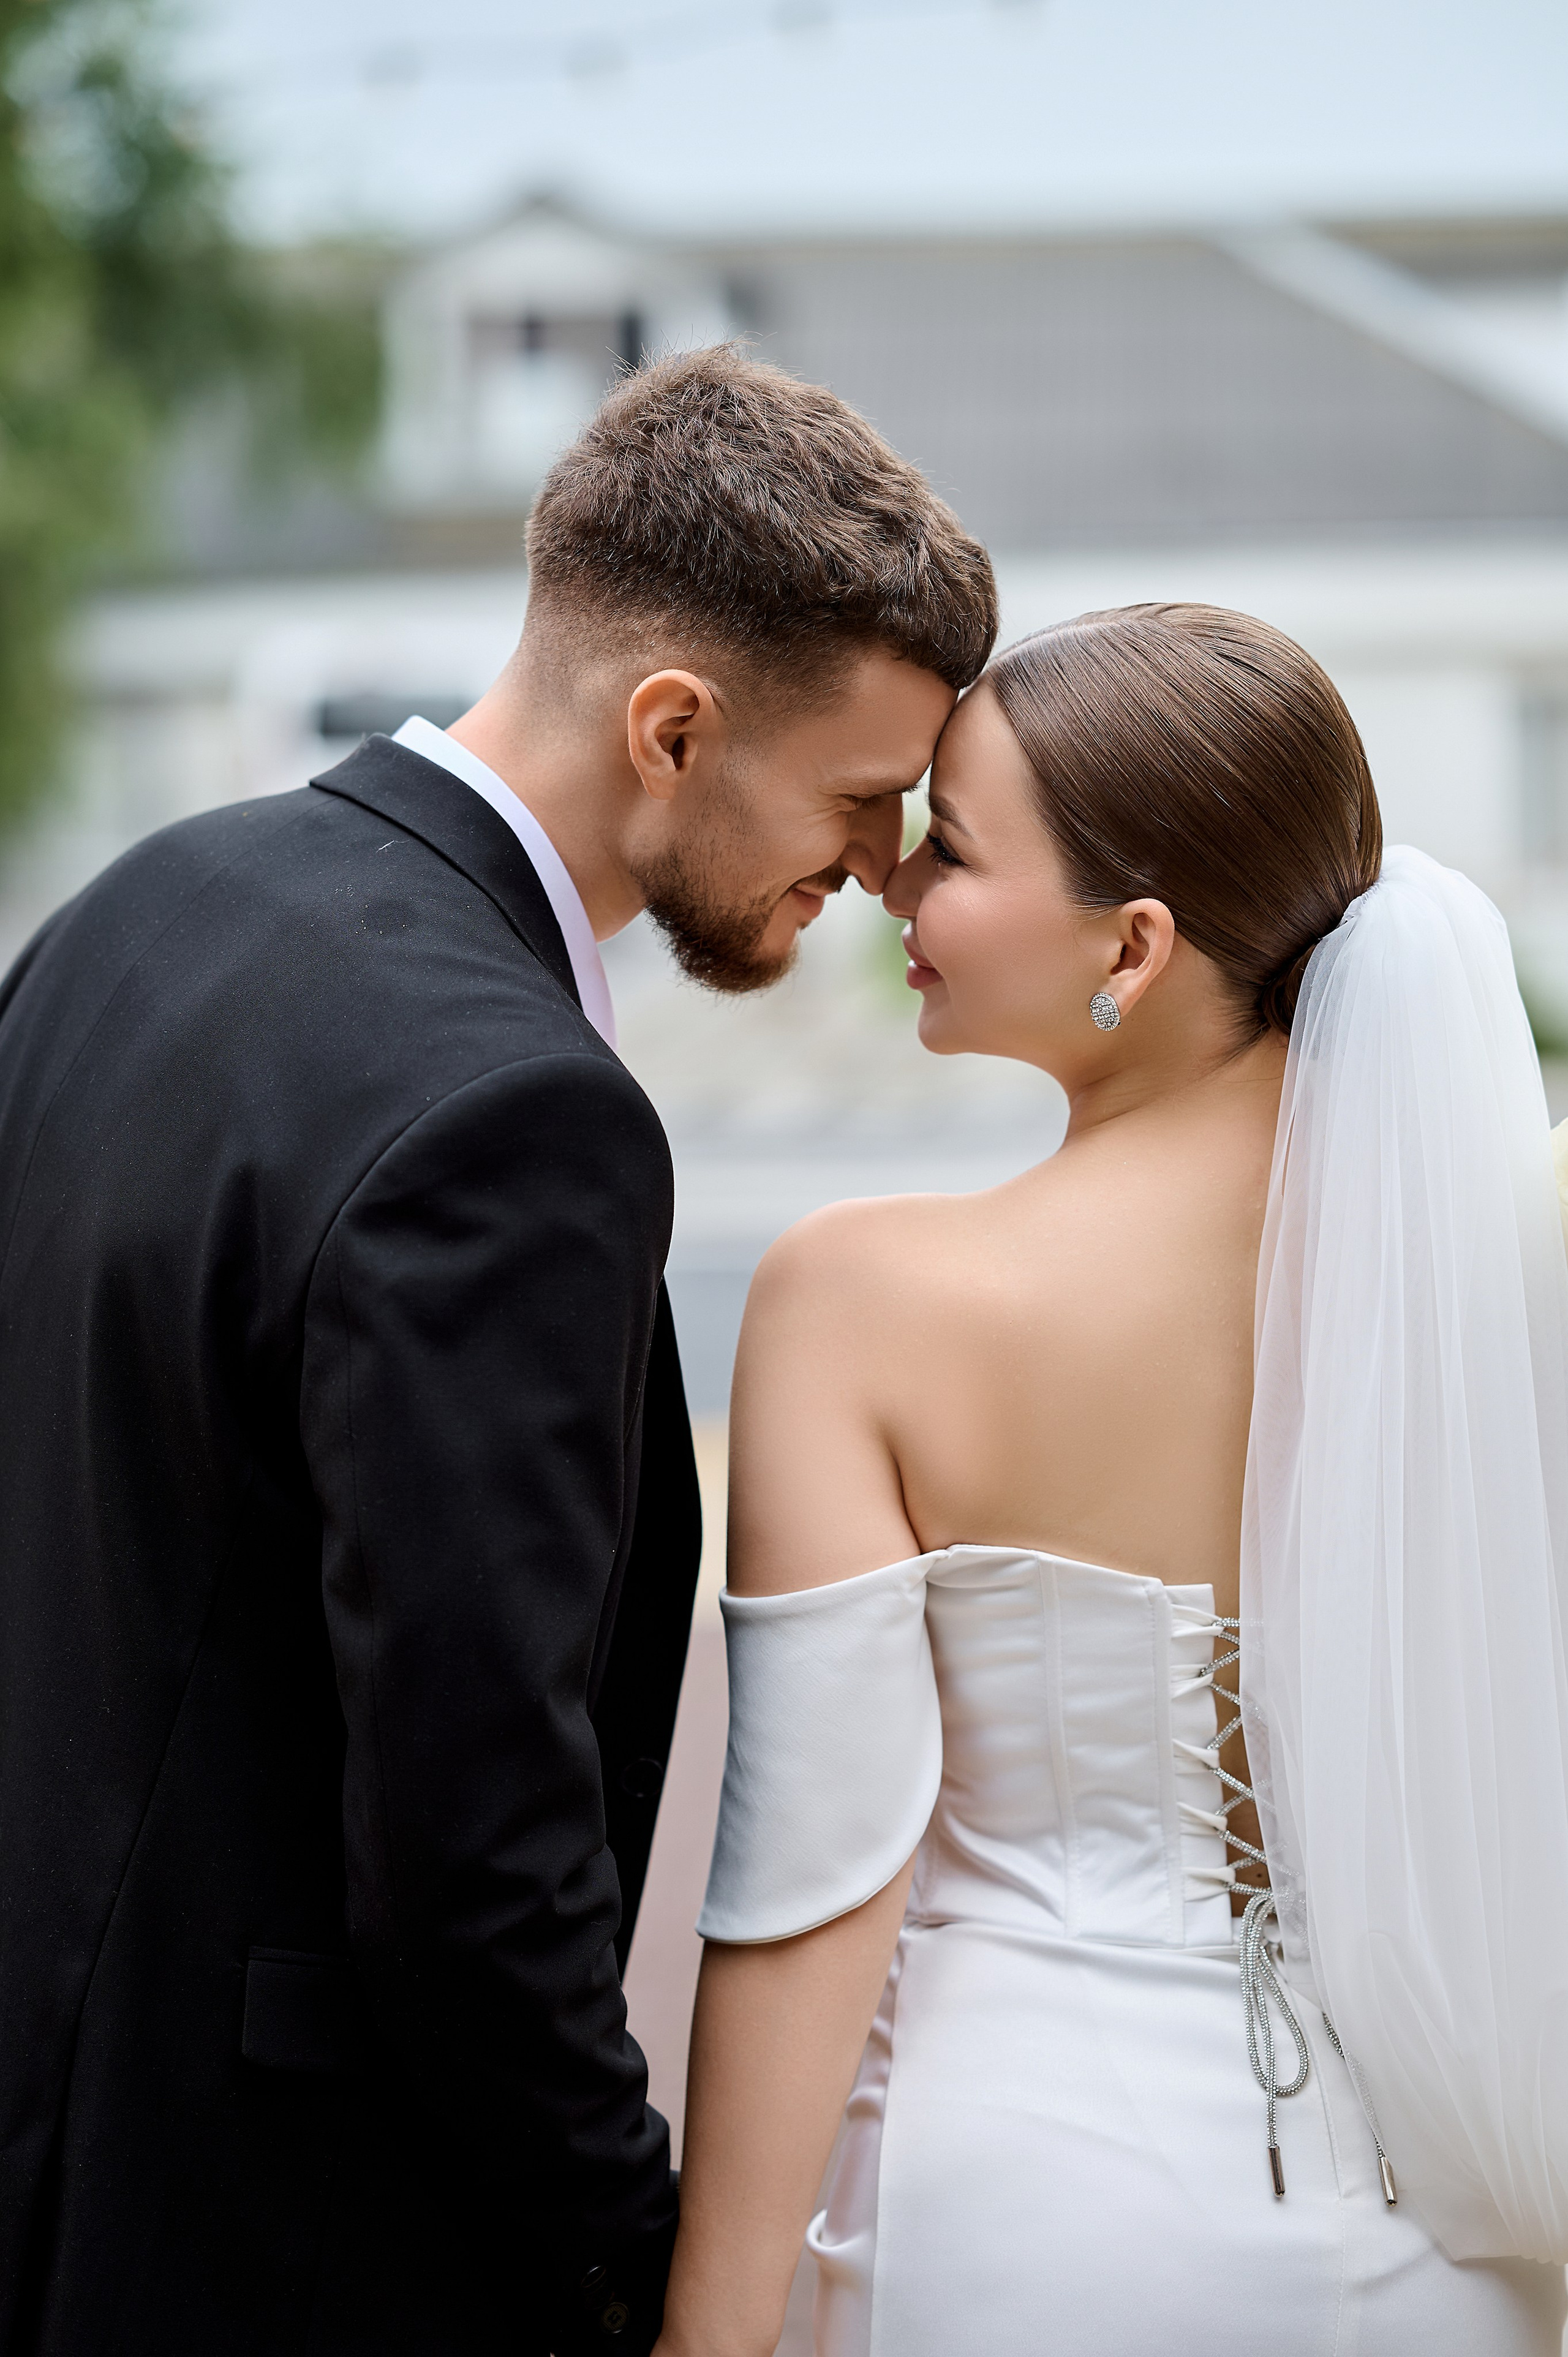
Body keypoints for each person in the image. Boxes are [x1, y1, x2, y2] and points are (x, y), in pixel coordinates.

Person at [0, 347, 995, 2357]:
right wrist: (626, 2255)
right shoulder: (511, 1116)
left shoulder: (139, 908)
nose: (881, 872)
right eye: (863, 800)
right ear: (673, 726)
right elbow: (474, 1849)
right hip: (266, 2239)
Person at [659, 604, 1568, 2356]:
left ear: (1133, 946)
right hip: (1440, 2241)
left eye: (956, 849)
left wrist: (711, 2331)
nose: (895, 889)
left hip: (1029, 2210)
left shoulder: (865, 1299)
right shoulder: (1499, 1285)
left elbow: (812, 1887)